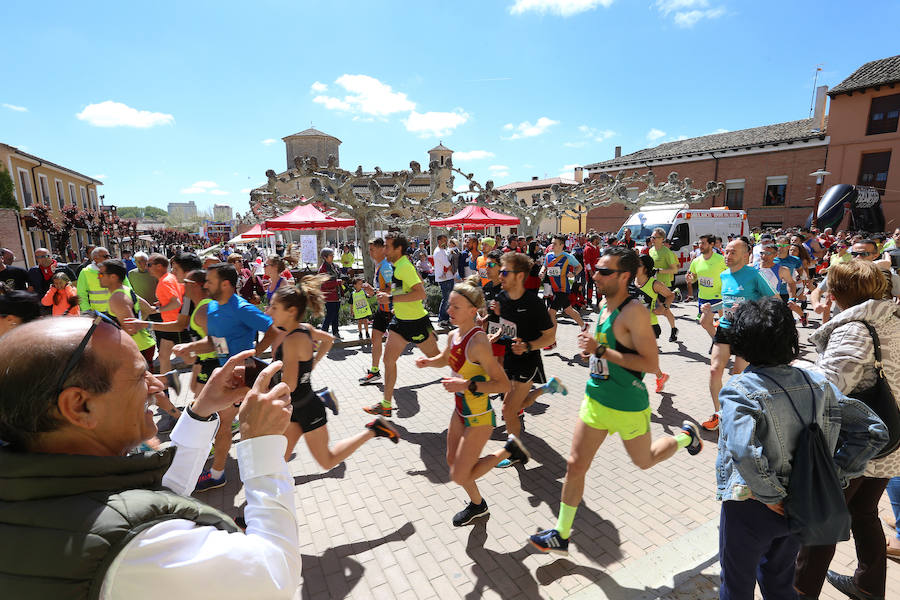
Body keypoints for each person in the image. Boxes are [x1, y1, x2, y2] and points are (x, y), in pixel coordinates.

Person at [0, 317, 301, 599]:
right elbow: (274, 577)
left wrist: (201, 410)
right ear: (79, 406)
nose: (157, 385)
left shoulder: (33, 487)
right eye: (138, 375)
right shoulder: (136, 546)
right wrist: (262, 447)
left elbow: (154, 496)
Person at [529, 247, 702, 556]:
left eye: (604, 271)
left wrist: (600, 352)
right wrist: (590, 352)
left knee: (644, 460)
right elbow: (603, 350)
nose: (595, 275)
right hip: (596, 400)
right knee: (574, 466)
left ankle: (686, 437)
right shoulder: (604, 305)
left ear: (625, 276)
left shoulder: (634, 311)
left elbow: (650, 363)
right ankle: (562, 534)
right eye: (596, 269)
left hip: (627, 405)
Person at [715, 297, 887, 600]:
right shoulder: (817, 382)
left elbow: (743, 449)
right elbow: (873, 430)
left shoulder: (739, 389)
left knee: (736, 585)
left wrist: (771, 494)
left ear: (740, 342)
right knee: (780, 580)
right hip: (804, 503)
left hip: (752, 506)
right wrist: (836, 475)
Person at [794, 260, 900, 600]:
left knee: (824, 518)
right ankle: (868, 585)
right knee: (864, 512)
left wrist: (791, 366)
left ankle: (799, 591)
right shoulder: (891, 319)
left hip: (859, 444)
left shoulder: (855, 328)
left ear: (837, 293)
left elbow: (828, 387)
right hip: (891, 438)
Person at [415, 276, 531, 526]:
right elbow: (446, 358)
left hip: (479, 418)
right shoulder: (454, 335)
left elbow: (502, 384)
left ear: (471, 311)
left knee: (459, 475)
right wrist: (428, 362)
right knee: (450, 461)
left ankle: (509, 449)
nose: (449, 310)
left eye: (455, 307)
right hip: (460, 410)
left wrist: (465, 385)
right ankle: (478, 505)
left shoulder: (478, 343)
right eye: (449, 305)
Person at [269, 275, 398, 468]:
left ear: (291, 311)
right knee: (276, 462)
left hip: (306, 408)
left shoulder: (292, 340)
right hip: (298, 407)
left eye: (274, 307)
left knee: (327, 461)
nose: (268, 311)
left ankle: (373, 430)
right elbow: (329, 339)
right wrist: (312, 363)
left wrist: (263, 392)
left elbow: (290, 385)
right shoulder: (304, 329)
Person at [172, 262, 279, 491]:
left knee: (223, 425)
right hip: (224, 374)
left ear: (226, 284)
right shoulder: (212, 308)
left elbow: (273, 329)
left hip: (242, 375)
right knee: (225, 424)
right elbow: (215, 343)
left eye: (210, 281)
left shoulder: (241, 308)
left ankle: (218, 473)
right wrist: (190, 349)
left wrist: (254, 354)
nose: (206, 285)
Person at [487, 252, 566, 466]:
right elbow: (507, 326)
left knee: (508, 409)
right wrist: (495, 334)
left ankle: (516, 452)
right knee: (518, 405)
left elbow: (549, 336)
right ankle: (548, 388)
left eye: (504, 272)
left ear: (520, 276)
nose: (500, 275)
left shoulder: (533, 303)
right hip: (509, 357)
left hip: (528, 360)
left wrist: (528, 346)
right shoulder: (502, 297)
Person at [703, 238, 776, 431]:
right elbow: (728, 303)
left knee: (737, 374)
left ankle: (738, 412)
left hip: (747, 329)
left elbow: (774, 299)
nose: (727, 255)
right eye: (726, 251)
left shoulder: (754, 274)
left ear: (745, 255)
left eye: (732, 252)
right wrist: (713, 307)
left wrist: (748, 308)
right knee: (714, 370)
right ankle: (719, 414)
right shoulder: (724, 275)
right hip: (726, 326)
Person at [363, 233, 440, 416]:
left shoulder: (404, 267)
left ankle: (469, 366)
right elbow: (411, 285)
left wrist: (391, 297)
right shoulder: (398, 266)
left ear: (398, 249)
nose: (385, 250)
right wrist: (382, 295)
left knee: (438, 359)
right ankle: (386, 404)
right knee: (388, 360)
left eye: (388, 247)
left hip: (417, 322)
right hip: (400, 322)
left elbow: (421, 294)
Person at [98, 259, 157, 369]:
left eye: (101, 274)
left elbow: (131, 329)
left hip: (135, 349)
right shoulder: (126, 290)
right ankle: (168, 379)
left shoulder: (118, 298)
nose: (98, 277)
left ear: (113, 277)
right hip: (143, 344)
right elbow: (149, 309)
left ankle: (168, 379)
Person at [633, 254, 674, 393]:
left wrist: (664, 308)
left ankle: (634, 385)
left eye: (637, 264)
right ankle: (661, 377)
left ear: (645, 268)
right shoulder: (632, 281)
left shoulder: (654, 284)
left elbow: (670, 295)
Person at [359, 238, 394, 385]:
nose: (370, 253)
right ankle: (374, 371)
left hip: (391, 311)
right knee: (375, 339)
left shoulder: (385, 266)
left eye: (372, 249)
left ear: (381, 249)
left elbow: (390, 288)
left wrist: (373, 291)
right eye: (369, 250)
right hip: (382, 310)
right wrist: (372, 292)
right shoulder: (379, 265)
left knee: (393, 348)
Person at [540, 234, 585, 346]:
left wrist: (573, 273)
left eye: (555, 243)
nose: (552, 245)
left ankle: (552, 340)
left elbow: (579, 267)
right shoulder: (548, 256)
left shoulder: (567, 257)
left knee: (551, 313)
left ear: (562, 245)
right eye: (552, 243)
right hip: (555, 288)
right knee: (568, 310)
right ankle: (584, 326)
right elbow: (545, 266)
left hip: (564, 289)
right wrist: (542, 271)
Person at [647, 228, 679, 342]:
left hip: (664, 285)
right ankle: (670, 329)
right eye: (651, 237)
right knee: (659, 310)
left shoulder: (667, 252)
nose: (652, 239)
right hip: (653, 285)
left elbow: (674, 269)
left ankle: (673, 329)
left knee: (664, 311)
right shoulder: (651, 251)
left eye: (654, 237)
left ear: (662, 239)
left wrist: (659, 271)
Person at [685, 234, 726, 320]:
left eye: (703, 243)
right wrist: (690, 279)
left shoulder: (721, 259)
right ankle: (716, 334)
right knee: (704, 322)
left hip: (718, 297)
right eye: (699, 243)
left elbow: (731, 274)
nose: (700, 246)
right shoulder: (696, 261)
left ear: (711, 244)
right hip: (703, 297)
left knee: (724, 323)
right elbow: (694, 277)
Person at [317, 248, 343, 340]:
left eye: (333, 255)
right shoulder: (322, 269)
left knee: (336, 314)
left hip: (337, 294)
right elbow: (324, 284)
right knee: (330, 315)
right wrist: (337, 282)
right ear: (325, 257)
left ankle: (335, 332)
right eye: (331, 255)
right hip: (329, 296)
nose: (333, 257)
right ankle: (324, 333)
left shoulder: (334, 266)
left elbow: (338, 275)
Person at [76, 247, 112, 312]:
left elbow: (128, 289)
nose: (109, 258)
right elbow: (81, 294)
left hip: (117, 312)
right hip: (98, 314)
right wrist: (87, 310)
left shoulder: (116, 269)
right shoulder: (85, 272)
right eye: (106, 256)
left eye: (109, 256)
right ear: (95, 259)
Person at [433, 234, 455, 328]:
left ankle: (445, 319)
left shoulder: (443, 250)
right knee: (446, 299)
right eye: (444, 240)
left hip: (448, 278)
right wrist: (455, 272)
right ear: (439, 241)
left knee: (448, 299)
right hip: (444, 279)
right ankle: (442, 319)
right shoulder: (439, 252)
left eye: (446, 240)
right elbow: (448, 266)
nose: (446, 242)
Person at [350, 275, 372, 339]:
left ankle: (367, 333)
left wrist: (371, 293)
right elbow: (351, 303)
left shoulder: (363, 291)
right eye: (359, 284)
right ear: (355, 285)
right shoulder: (353, 294)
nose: (361, 285)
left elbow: (368, 296)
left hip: (364, 310)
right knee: (359, 322)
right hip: (358, 311)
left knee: (365, 321)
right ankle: (360, 333)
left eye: (361, 283)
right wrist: (351, 311)